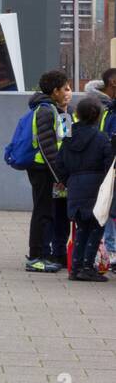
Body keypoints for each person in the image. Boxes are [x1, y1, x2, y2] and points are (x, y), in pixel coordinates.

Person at [60, 96, 113, 281]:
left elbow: (60, 163)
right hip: (96, 188)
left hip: (75, 186)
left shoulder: (68, 137)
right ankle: (87, 267)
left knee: (81, 228)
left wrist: (68, 181)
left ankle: (75, 268)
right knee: (96, 228)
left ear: (77, 115)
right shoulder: (101, 138)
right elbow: (109, 165)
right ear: (98, 115)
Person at [25, 70, 71, 273]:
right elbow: (47, 146)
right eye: (65, 88)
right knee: (42, 213)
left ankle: (41, 254)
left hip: (45, 169)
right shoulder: (45, 110)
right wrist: (58, 175)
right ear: (55, 91)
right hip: (41, 168)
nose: (67, 92)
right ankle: (36, 257)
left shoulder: (50, 108)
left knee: (46, 212)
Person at [86, 69, 116, 260]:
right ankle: (109, 250)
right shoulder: (104, 109)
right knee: (108, 207)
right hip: (106, 167)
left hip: (104, 166)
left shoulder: (108, 110)